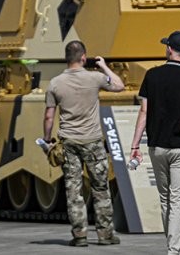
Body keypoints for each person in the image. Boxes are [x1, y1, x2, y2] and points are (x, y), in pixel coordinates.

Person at [129, 31, 180, 255]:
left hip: (158, 145)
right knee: (178, 200)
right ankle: (173, 250)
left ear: (169, 49)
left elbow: (144, 112)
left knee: (165, 198)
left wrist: (135, 146)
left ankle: (171, 244)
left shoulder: (152, 76)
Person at [43, 40, 125, 247]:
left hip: (69, 142)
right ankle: (105, 235)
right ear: (83, 58)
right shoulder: (95, 78)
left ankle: (79, 235)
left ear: (66, 58)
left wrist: (46, 139)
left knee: (73, 190)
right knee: (100, 188)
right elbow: (119, 85)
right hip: (93, 141)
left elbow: (49, 117)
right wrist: (104, 66)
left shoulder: (54, 83)